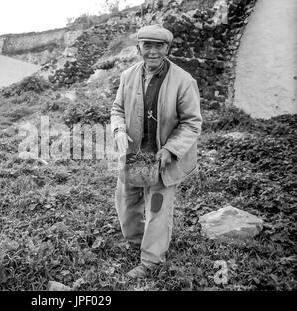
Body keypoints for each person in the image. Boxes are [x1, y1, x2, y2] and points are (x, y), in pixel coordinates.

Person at [110, 24, 202, 278]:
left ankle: (150, 260)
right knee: (127, 202)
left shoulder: (183, 81)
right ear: (138, 47)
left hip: (163, 158)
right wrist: (118, 130)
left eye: (158, 46)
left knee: (157, 208)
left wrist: (171, 150)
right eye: (147, 45)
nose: (152, 51)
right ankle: (134, 241)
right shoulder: (128, 75)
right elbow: (117, 108)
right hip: (135, 155)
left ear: (167, 48)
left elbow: (192, 122)